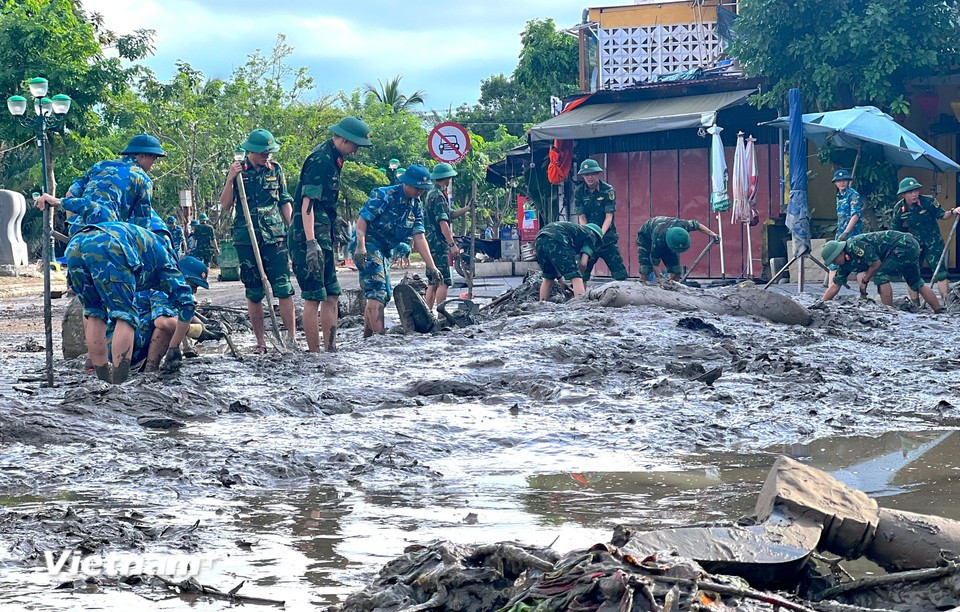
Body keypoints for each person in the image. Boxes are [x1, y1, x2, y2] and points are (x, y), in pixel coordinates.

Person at [55, 221, 196, 384]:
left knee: (94, 313)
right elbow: (187, 303)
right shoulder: (169, 265)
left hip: (76, 244)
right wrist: (174, 347)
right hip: (110, 246)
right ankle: (119, 384)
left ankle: (104, 382)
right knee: (125, 315)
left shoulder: (152, 249)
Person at [290, 116, 372, 353]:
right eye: (355, 145)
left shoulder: (336, 158)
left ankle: (331, 348)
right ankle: (314, 352)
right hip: (307, 237)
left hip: (323, 234)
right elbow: (307, 204)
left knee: (332, 294)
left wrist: (334, 218)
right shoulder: (320, 160)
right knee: (313, 296)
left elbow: (324, 201)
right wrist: (311, 242)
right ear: (344, 140)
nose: (356, 151)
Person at [220, 128, 297, 353]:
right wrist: (230, 179)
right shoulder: (238, 171)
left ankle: (291, 339)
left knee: (284, 287)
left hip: (275, 237)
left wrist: (292, 230)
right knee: (254, 291)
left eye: (270, 153)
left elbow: (284, 200)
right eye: (263, 153)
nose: (267, 157)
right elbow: (225, 206)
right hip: (247, 238)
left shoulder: (276, 170)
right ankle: (261, 342)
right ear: (250, 151)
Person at [351, 165, 442, 336]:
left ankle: (367, 337)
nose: (419, 192)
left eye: (423, 189)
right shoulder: (384, 195)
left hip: (385, 250)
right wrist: (360, 246)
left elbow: (419, 237)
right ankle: (380, 339)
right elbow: (363, 219)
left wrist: (432, 266)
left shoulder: (416, 206)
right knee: (377, 290)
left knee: (382, 294)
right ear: (406, 183)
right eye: (417, 188)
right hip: (368, 244)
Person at [131, 256, 222, 372]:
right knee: (168, 324)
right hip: (129, 343)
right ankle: (150, 369)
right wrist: (195, 331)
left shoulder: (168, 282)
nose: (194, 292)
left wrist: (206, 327)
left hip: (129, 337)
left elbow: (184, 312)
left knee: (174, 318)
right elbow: (162, 322)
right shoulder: (162, 287)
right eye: (193, 286)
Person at [60, 134, 163, 234]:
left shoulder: (101, 165)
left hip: (78, 232)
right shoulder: (143, 178)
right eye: (154, 159)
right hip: (108, 233)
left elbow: (70, 194)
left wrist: (72, 229)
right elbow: (142, 224)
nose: (153, 165)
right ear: (144, 155)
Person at [820, 231, 942, 312]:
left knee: (880, 275)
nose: (835, 264)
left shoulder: (854, 245)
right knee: (916, 282)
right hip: (907, 246)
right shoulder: (843, 264)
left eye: (834, 260)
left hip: (904, 245)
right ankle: (939, 311)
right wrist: (821, 305)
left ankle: (888, 313)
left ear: (840, 253)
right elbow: (835, 285)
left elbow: (876, 264)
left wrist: (865, 280)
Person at [892, 177, 960, 304]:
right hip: (913, 245)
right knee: (912, 274)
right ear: (903, 194)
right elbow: (895, 231)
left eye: (916, 190)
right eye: (911, 192)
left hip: (933, 242)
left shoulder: (928, 201)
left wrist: (953, 211)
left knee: (941, 273)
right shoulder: (899, 209)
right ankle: (915, 304)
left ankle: (946, 302)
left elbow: (942, 215)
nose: (915, 194)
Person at [423, 162, 470, 309]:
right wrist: (452, 245)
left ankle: (428, 313)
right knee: (443, 281)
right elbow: (443, 223)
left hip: (430, 244)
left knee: (433, 281)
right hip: (438, 244)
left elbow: (449, 215)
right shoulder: (438, 196)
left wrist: (467, 209)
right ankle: (441, 314)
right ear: (446, 178)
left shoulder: (432, 194)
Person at [574, 159, 627, 282]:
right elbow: (581, 217)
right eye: (587, 174)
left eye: (592, 174)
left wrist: (600, 234)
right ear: (582, 176)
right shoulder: (579, 191)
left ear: (598, 174)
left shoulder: (608, 190)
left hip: (607, 238)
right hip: (589, 238)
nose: (590, 177)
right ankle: (579, 297)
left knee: (620, 274)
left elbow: (609, 217)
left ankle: (624, 299)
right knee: (582, 273)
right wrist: (588, 234)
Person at [636, 216, 719, 281]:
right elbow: (654, 263)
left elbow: (697, 225)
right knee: (646, 269)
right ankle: (644, 289)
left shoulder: (683, 225)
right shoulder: (658, 240)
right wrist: (660, 280)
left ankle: (674, 288)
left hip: (670, 238)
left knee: (676, 271)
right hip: (646, 238)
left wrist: (713, 234)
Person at [535, 221, 603, 300]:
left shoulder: (578, 230)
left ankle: (542, 304)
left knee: (548, 277)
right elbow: (583, 263)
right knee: (576, 277)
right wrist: (577, 277)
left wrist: (561, 282)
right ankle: (581, 306)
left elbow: (556, 262)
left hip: (539, 240)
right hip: (558, 239)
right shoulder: (591, 235)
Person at [828, 169, 865, 288]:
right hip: (840, 233)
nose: (842, 183)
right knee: (834, 263)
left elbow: (855, 215)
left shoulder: (853, 194)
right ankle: (830, 292)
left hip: (853, 234)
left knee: (859, 264)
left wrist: (847, 232)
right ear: (835, 183)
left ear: (848, 181)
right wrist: (841, 233)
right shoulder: (838, 196)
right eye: (839, 181)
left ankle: (863, 294)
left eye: (844, 180)